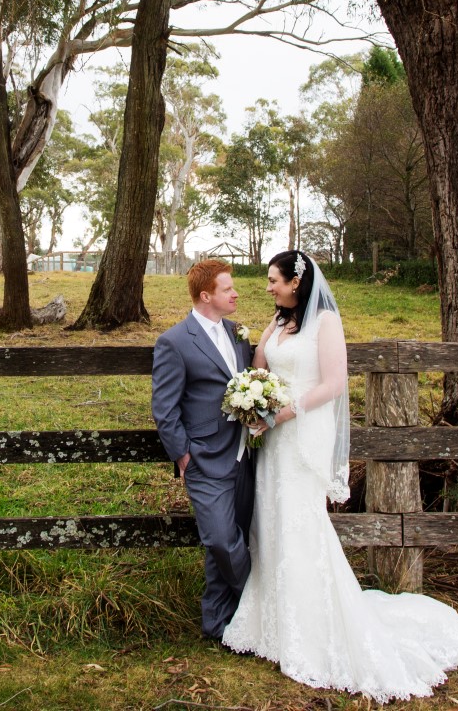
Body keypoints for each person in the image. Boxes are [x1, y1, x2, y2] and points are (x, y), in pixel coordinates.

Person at [221, 249, 458, 701]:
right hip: (273, 440)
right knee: (270, 521)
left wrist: (283, 413)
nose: (268, 287)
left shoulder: (325, 322)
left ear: (297, 282)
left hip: (303, 434)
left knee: (301, 522)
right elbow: (260, 368)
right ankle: (273, 620)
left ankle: (314, 623)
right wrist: (253, 397)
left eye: (274, 280)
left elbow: (334, 384)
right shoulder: (277, 323)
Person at [151, 257, 257, 641]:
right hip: (204, 458)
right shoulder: (174, 342)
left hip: (245, 454)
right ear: (206, 295)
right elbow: (164, 407)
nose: (236, 293)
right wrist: (182, 454)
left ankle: (218, 625)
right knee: (220, 539)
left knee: (235, 537)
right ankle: (259, 601)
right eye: (229, 289)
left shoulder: (238, 334)